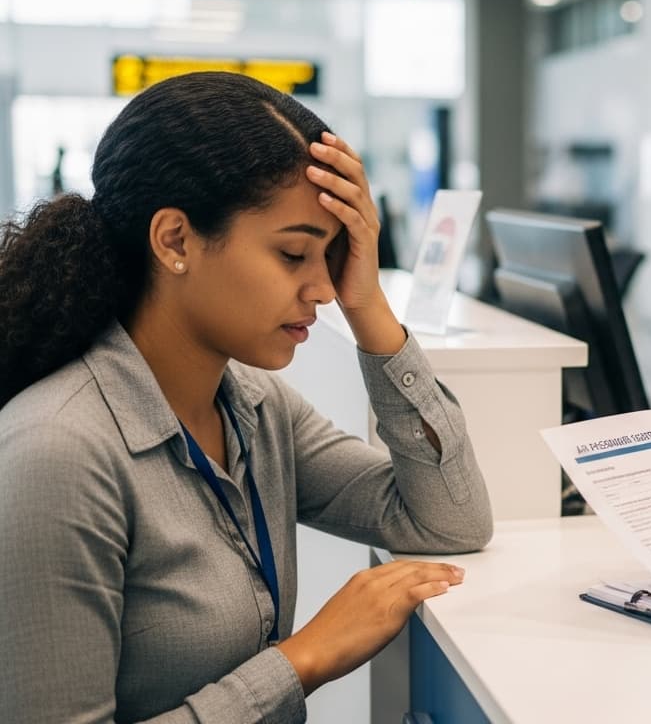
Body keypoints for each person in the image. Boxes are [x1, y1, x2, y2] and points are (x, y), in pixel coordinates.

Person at [0, 72, 493, 723]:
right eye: (294, 254)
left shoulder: (253, 406)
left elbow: (447, 518)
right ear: (175, 240)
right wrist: (302, 661)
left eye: (333, 255)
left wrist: (368, 303)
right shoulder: (58, 456)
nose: (322, 288)